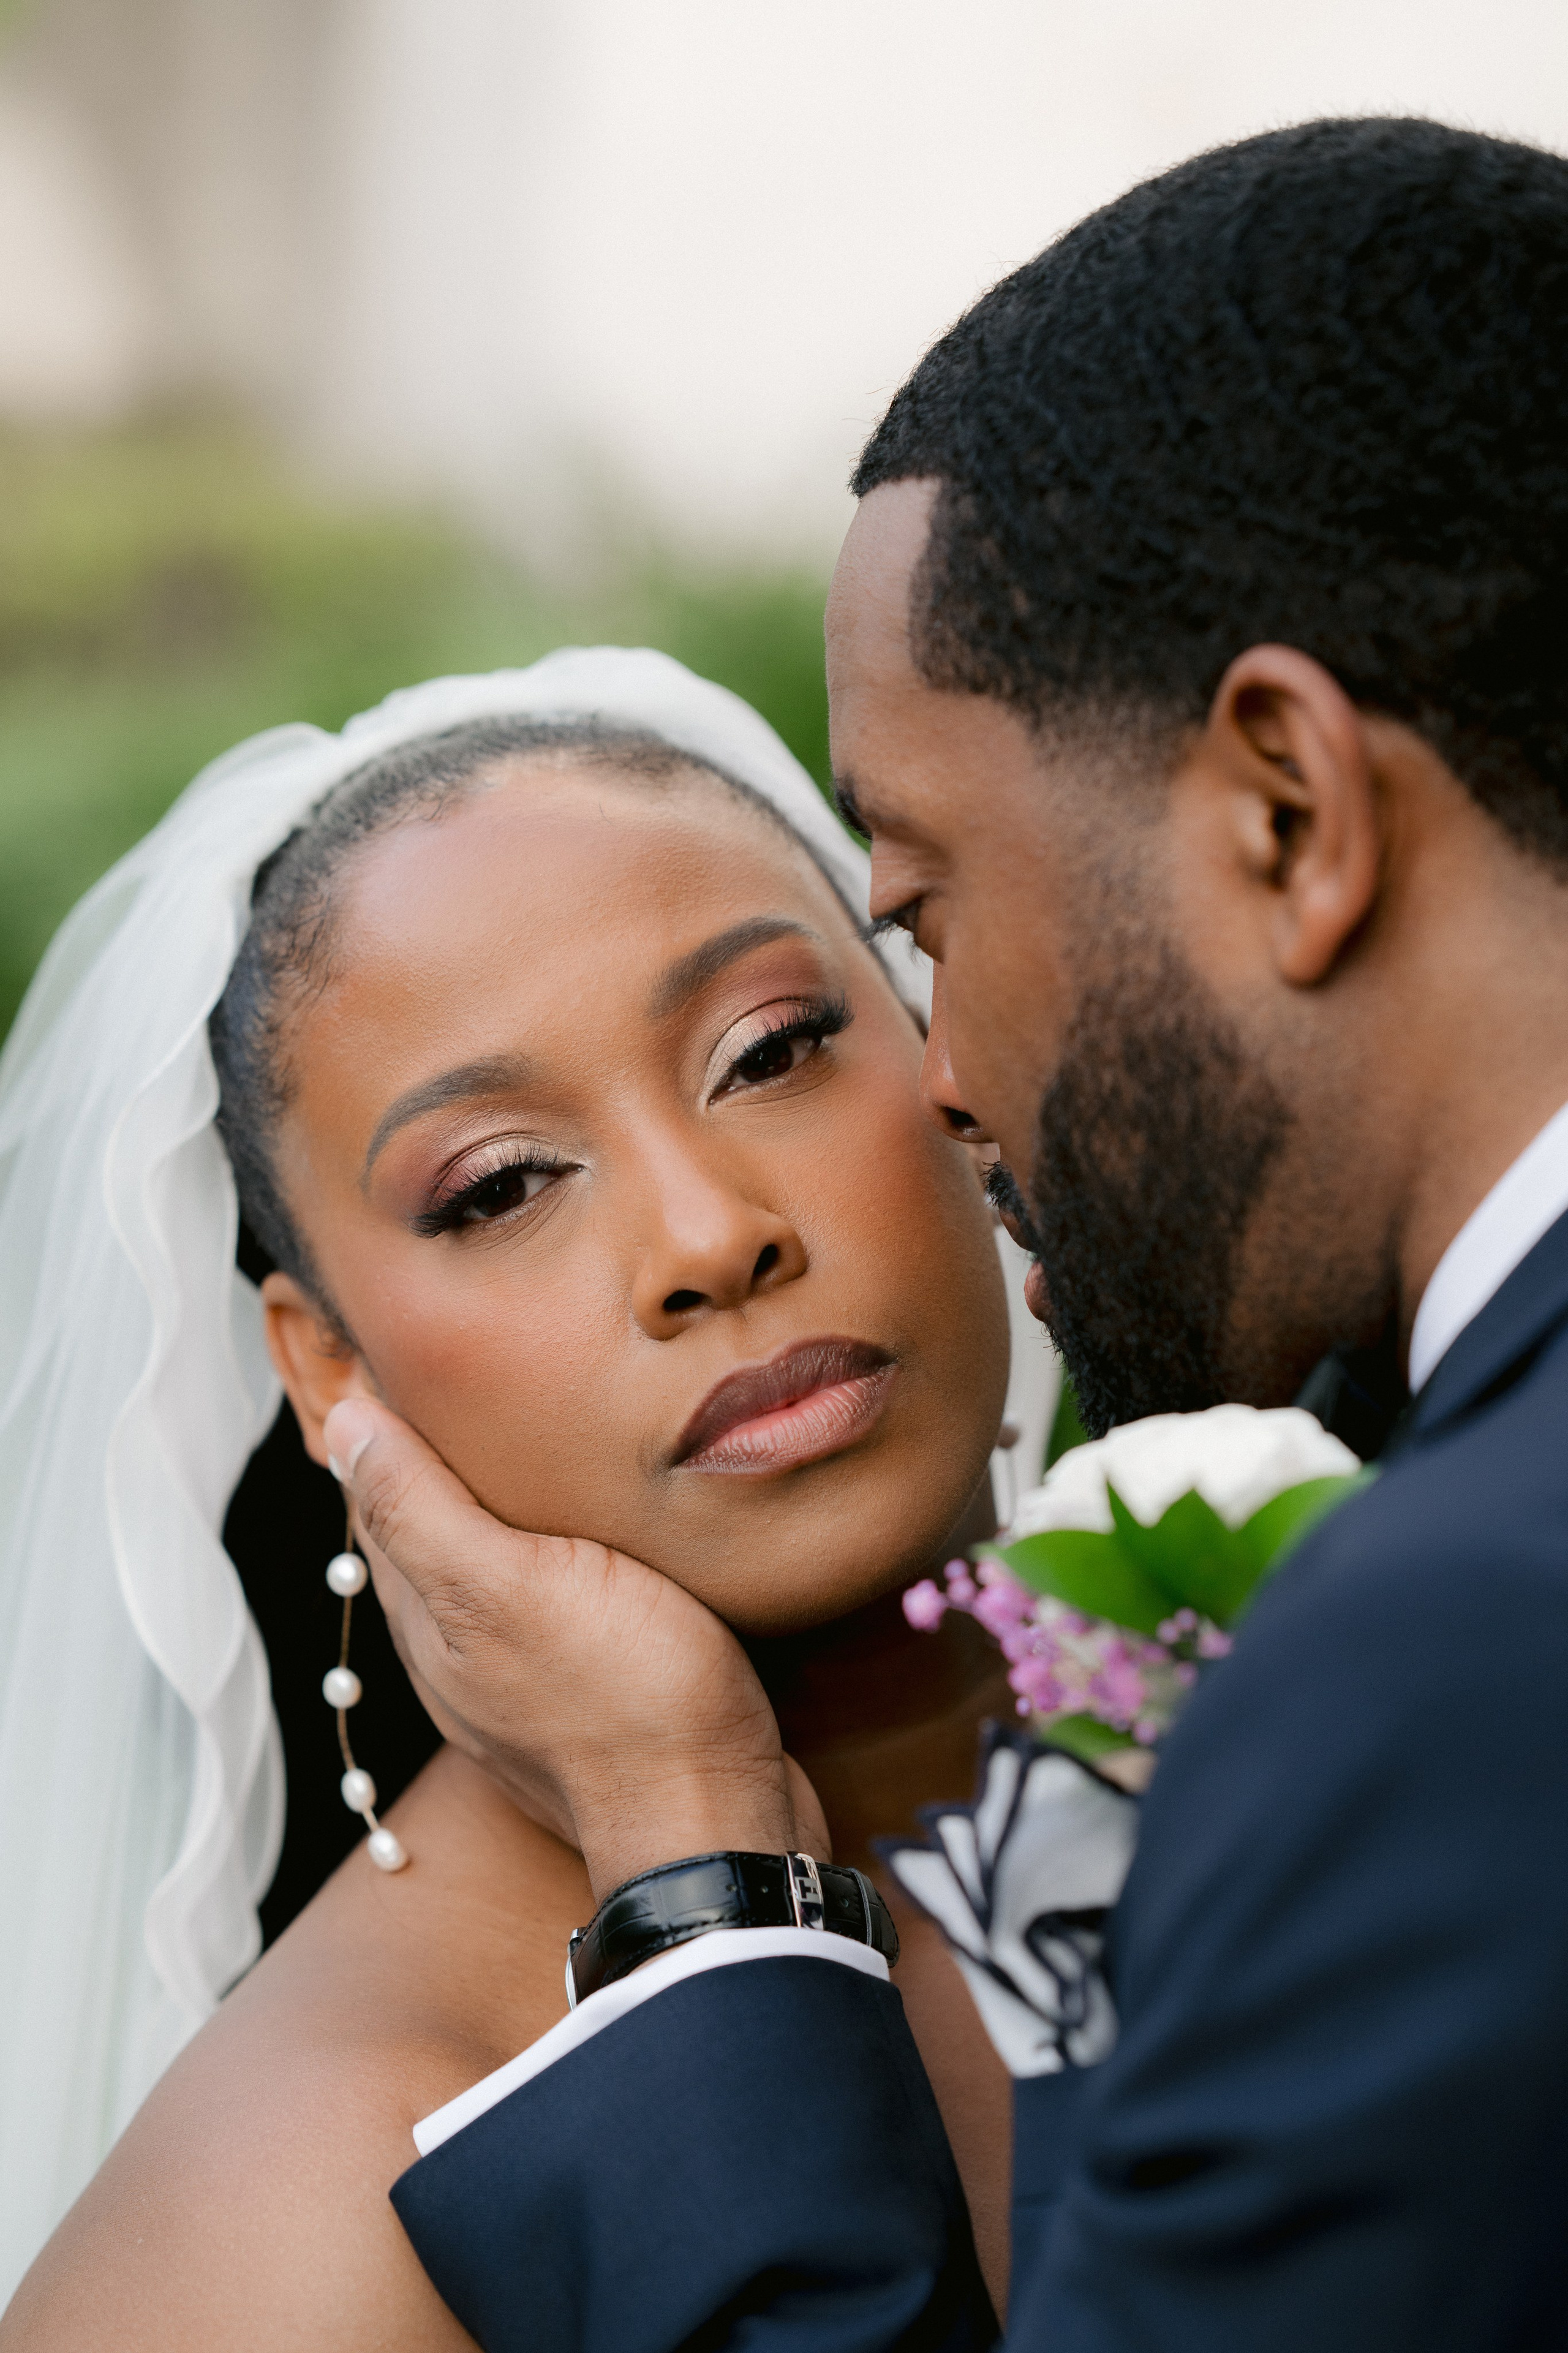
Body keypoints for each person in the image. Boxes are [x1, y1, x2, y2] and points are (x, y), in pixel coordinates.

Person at [284, 119, 1568, 2350]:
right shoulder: (292, 2173)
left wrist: (694, 1867)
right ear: (316, 1360)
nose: (949, 1076)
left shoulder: (1429, 1660)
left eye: (916, 932)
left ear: (1291, 810)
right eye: (500, 1181)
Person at [0, 649, 1060, 2340]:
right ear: (328, 1371)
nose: (711, 1236)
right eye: (500, 1187)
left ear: (942, 1046)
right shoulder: (288, 2217)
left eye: (772, 1049)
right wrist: (678, 1801)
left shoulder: (1328, 1684)